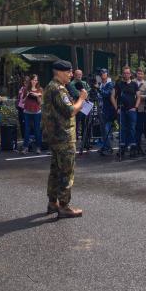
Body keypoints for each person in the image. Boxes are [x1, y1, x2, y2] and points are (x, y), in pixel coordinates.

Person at [42, 59, 88, 218]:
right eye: (68, 72)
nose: (70, 74)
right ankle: (64, 206)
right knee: (66, 172)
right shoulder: (57, 89)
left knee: (55, 170)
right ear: (59, 72)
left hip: (56, 136)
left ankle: (53, 202)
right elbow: (70, 111)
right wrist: (81, 99)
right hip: (63, 137)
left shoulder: (52, 87)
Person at [112, 66, 139, 157]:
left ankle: (132, 147)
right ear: (122, 74)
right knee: (122, 129)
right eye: (124, 73)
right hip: (121, 110)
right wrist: (117, 108)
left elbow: (138, 97)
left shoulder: (134, 84)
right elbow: (112, 97)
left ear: (130, 74)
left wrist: (135, 107)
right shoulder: (119, 84)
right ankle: (122, 146)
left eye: (127, 73)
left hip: (132, 110)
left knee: (132, 128)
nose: (126, 74)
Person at [22, 74, 43, 154]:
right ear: (31, 80)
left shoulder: (39, 89)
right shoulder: (26, 89)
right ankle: (25, 147)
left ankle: (38, 147)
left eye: (36, 80)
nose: (35, 81)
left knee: (37, 130)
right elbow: (23, 101)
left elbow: (40, 102)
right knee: (27, 129)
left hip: (36, 112)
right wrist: (27, 95)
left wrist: (37, 96)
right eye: (34, 80)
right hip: (27, 111)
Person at [98, 68, 116, 156]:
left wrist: (98, 89)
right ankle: (105, 146)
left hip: (108, 110)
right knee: (102, 130)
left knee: (107, 129)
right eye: (101, 73)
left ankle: (109, 147)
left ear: (107, 74)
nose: (102, 75)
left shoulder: (110, 84)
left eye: (103, 73)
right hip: (101, 109)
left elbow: (107, 94)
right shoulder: (101, 84)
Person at [68, 69, 90, 140]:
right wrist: (84, 94)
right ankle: (75, 138)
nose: (79, 76)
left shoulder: (84, 83)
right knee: (77, 122)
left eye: (80, 74)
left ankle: (85, 139)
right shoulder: (71, 84)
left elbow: (89, 91)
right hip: (77, 105)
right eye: (77, 74)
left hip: (85, 105)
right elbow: (76, 93)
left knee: (85, 122)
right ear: (74, 75)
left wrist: (84, 94)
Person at [134, 68, 146, 151]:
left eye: (141, 73)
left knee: (139, 127)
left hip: (141, 109)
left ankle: (138, 144)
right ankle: (133, 144)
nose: (139, 75)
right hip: (132, 108)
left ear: (144, 75)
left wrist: (139, 97)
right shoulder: (132, 82)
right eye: (138, 73)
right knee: (133, 127)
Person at [16, 76, 30, 141]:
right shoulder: (21, 88)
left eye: (26, 81)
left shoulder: (29, 89)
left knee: (26, 125)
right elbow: (19, 98)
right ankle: (24, 139)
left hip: (26, 109)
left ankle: (27, 141)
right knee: (21, 124)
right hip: (20, 108)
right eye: (24, 81)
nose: (25, 82)